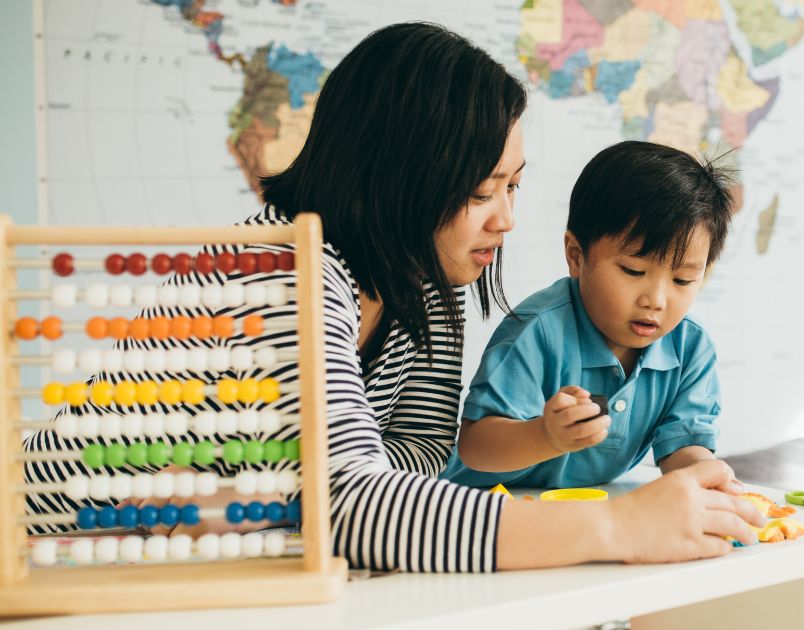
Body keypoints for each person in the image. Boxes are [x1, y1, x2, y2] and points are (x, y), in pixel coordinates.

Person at [22, 22, 763, 573]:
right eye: (481, 192)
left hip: (198, 569)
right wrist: (619, 526)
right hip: (53, 557)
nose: (505, 220)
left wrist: (328, 504)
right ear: (401, 178)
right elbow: (359, 505)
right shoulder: (277, 271)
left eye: (513, 186)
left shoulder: (426, 296)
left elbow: (412, 467)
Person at [442, 141, 734, 490]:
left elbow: (685, 445)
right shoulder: (538, 331)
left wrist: (706, 476)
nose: (656, 300)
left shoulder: (690, 347)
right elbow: (476, 447)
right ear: (576, 256)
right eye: (632, 271)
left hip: (579, 512)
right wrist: (545, 436)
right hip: (478, 508)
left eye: (682, 279)